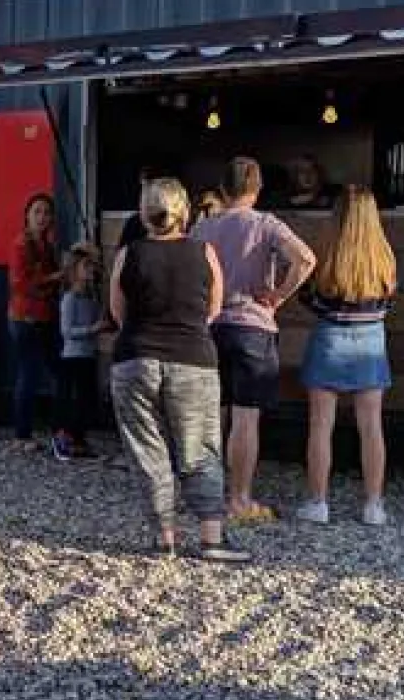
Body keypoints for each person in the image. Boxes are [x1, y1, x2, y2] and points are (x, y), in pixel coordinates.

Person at [109, 177, 247, 563]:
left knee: (148, 453)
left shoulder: (128, 254)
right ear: (185, 212)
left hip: (134, 359)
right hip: (193, 360)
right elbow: (213, 311)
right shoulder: (205, 252)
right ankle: (211, 538)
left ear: (143, 213)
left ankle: (164, 538)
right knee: (200, 449)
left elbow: (118, 314)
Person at [190, 157, 317, 525]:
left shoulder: (203, 229)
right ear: (257, 189)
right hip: (253, 328)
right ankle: (239, 500)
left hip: (211, 328)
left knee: (212, 417)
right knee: (246, 419)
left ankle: (206, 496)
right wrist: (279, 294)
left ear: (223, 189)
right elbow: (306, 259)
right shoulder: (265, 224)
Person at [294, 186, 398, 526]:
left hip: (329, 340)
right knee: (371, 427)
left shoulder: (326, 253)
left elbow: (310, 298)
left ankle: (318, 503)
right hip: (371, 343)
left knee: (320, 426)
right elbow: (389, 300)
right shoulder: (385, 256)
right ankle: (373, 506)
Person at [7, 193, 63, 447]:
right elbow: (19, 283)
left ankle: (58, 428)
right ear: (27, 216)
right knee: (28, 374)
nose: (42, 217)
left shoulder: (47, 245)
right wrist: (53, 278)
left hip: (44, 316)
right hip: (25, 317)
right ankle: (22, 435)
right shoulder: (21, 244)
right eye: (37, 212)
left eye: (46, 213)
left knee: (53, 370)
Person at [52, 243, 102, 462]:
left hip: (89, 354)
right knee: (70, 400)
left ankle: (80, 440)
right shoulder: (69, 299)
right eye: (86, 266)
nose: (90, 270)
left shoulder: (91, 299)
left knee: (85, 400)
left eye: (92, 266)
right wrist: (92, 329)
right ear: (74, 271)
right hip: (72, 356)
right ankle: (62, 438)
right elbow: (66, 331)